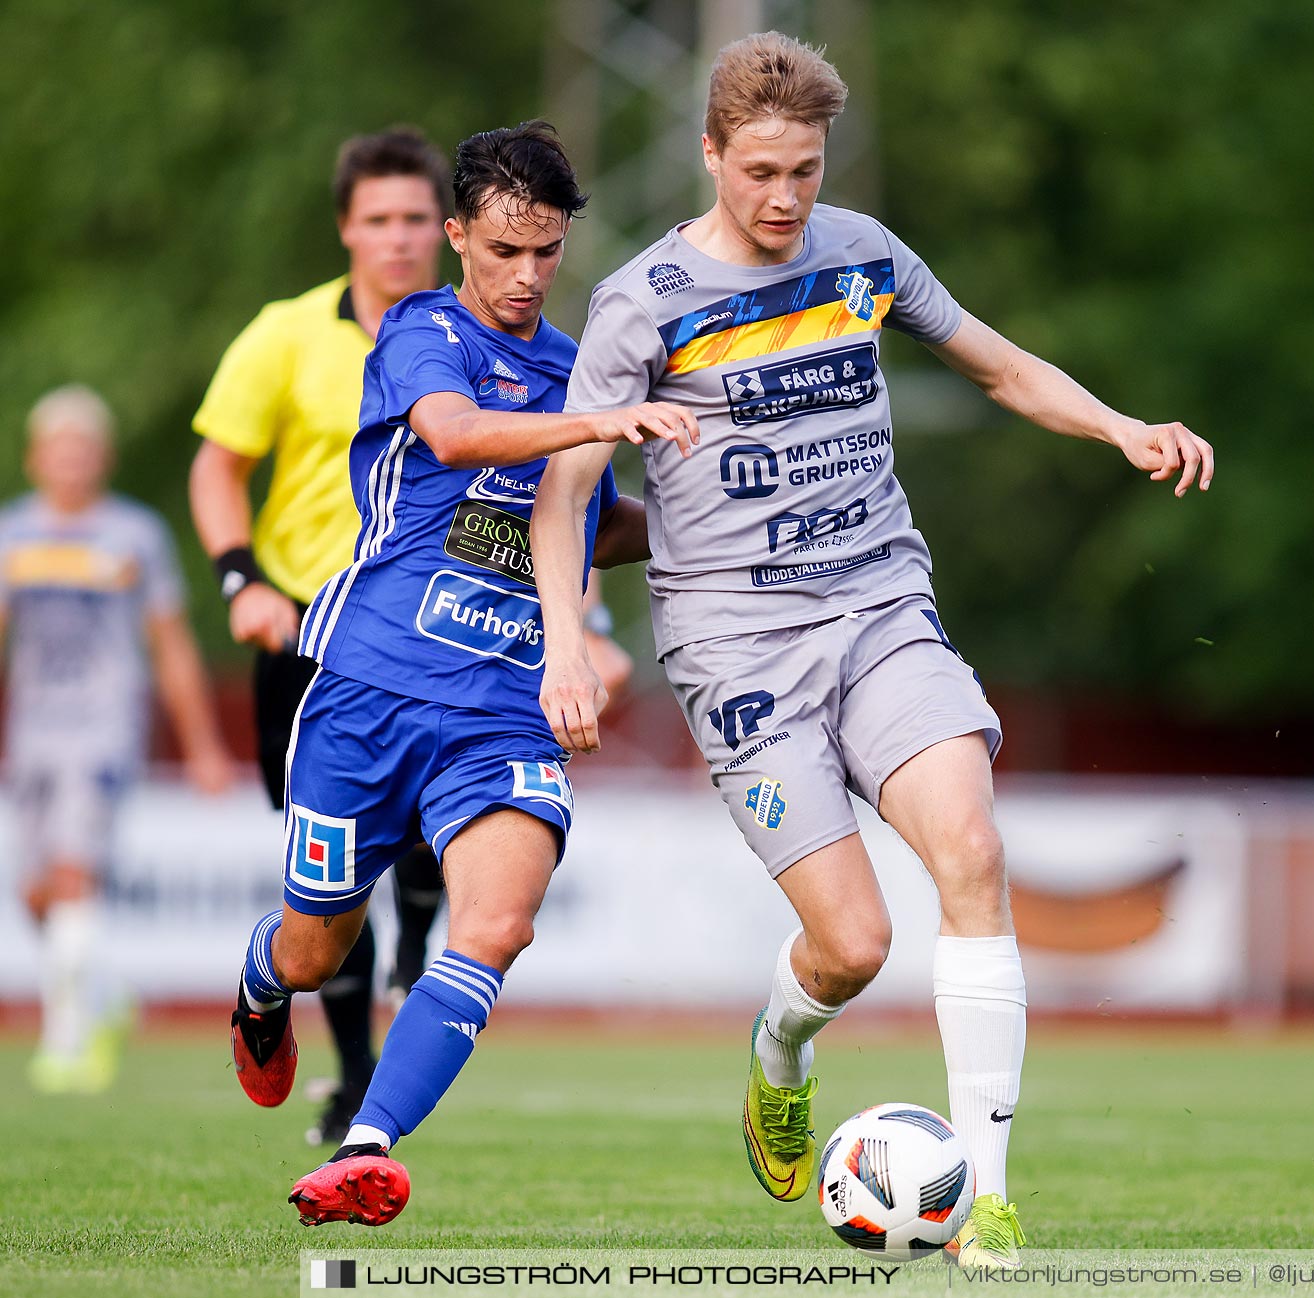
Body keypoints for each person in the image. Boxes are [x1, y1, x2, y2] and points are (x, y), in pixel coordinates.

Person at [533, 32, 1212, 1271]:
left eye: (805, 169)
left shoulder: (863, 256)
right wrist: (567, 642)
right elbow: (569, 480)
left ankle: (989, 1200)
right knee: (853, 943)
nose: (786, 197)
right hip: (737, 649)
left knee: (973, 847)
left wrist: (1121, 427)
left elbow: (999, 367)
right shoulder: (645, 300)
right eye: (760, 173)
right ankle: (780, 1044)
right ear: (709, 156)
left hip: (880, 604)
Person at [225, 119, 691, 1228]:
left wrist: (699, 521)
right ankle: (259, 982)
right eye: (502, 252)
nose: (526, 277)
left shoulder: (580, 363)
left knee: (498, 922)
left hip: (504, 706)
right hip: (369, 686)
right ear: (457, 237)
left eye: (546, 253)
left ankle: (367, 1144)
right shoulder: (419, 330)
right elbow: (453, 435)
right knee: (315, 941)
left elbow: (582, 518)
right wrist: (600, 415)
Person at [190, 127, 457, 1147]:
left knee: (435, 838)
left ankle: (422, 929)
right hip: (307, 631)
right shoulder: (285, 334)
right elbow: (219, 465)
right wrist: (239, 578)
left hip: (439, 638)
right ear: (347, 226)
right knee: (329, 882)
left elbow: (536, 492)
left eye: (415, 220)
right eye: (377, 219)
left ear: (446, 228)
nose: (397, 239)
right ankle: (351, 1075)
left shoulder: (474, 340)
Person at [3, 386, 233, 1092]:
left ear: (102, 458)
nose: (71, 462)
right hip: (33, 727)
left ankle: (67, 1040)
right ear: (35, 458)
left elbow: (169, 644)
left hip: (102, 725)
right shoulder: (13, 533)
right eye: (58, 449)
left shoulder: (133, 535)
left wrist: (201, 744)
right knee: (35, 891)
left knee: (77, 873)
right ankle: (101, 993)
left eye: (84, 448)